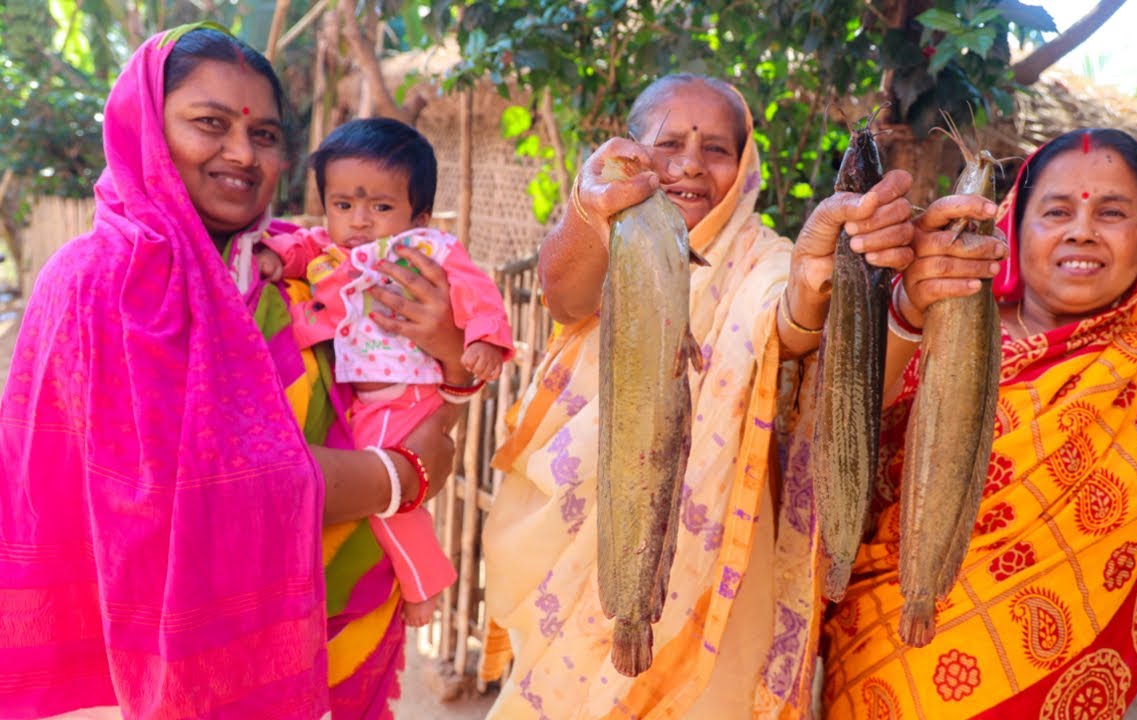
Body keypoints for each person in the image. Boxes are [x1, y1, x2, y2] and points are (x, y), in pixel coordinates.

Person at [478, 74, 1007, 719]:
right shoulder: (612, 239)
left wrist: (816, 278)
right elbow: (565, 294)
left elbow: (784, 317)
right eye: (669, 142)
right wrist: (593, 211)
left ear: (747, 163)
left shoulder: (763, 258)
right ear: (631, 153)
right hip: (581, 551)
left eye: (719, 149)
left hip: (725, 575)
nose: (691, 164)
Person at [0, 25, 467, 718]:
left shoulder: (299, 273)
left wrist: (453, 359)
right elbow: (197, 492)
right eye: (209, 125)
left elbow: (404, 407)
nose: (243, 154)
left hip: (336, 624)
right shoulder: (100, 286)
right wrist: (400, 478)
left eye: (267, 136)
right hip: (164, 657)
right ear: (149, 134)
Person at [821, 128, 1137, 719]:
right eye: (1056, 210)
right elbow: (841, 418)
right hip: (886, 679)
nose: (1082, 230)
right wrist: (905, 314)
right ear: (1014, 228)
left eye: (1112, 212)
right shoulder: (931, 322)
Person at [256, 117, 513, 628]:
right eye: (343, 205)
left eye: (381, 207)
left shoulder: (425, 252)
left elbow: (476, 291)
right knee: (388, 489)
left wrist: (484, 339)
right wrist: (275, 257)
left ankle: (424, 584)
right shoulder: (329, 252)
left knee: (390, 500)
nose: (359, 222)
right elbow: (300, 245)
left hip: (408, 394)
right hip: (369, 399)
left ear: (418, 215)